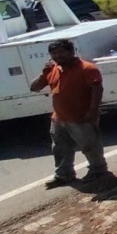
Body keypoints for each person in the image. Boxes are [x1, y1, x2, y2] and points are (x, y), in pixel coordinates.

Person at [29, 39, 110, 189]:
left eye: (61, 52)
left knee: (89, 146)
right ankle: (64, 175)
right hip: (58, 118)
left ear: (71, 52)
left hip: (81, 117)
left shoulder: (87, 68)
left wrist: (92, 111)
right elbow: (34, 88)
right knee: (60, 148)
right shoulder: (53, 69)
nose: (58, 56)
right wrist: (43, 74)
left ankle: (98, 171)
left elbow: (97, 90)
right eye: (54, 53)